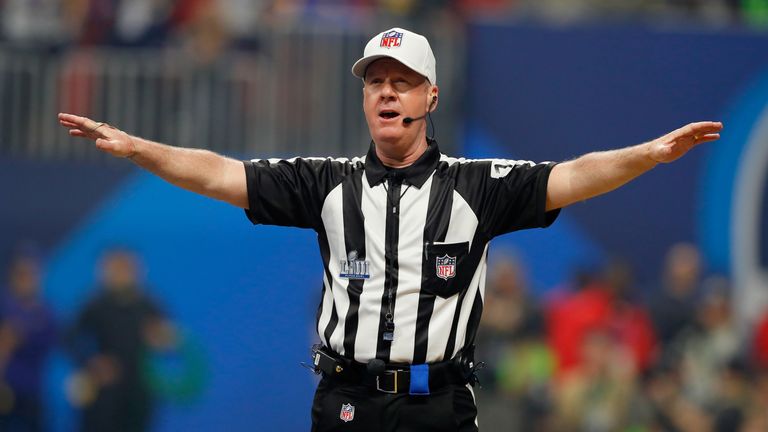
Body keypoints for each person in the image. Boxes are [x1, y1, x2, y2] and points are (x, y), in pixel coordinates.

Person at [57, 27, 723, 431]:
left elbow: (576, 175)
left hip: (440, 407)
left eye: (403, 82)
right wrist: (138, 147)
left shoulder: (477, 186)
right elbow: (218, 174)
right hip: (346, 401)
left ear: (430, 97)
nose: (387, 93)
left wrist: (650, 154)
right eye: (376, 80)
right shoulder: (327, 183)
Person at [66, 249, 166, 432]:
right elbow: (70, 338)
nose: (121, 273)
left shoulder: (149, 304)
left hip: (138, 389)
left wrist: (160, 341)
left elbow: (167, 338)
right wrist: (91, 361)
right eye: (115, 268)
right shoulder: (95, 304)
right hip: (104, 389)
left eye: (126, 267)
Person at [0, 252, 57, 432]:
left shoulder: (46, 314)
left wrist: (20, 335)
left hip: (31, 392)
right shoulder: (4, 306)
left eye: (32, 274)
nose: (26, 280)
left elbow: (49, 342)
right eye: (21, 274)